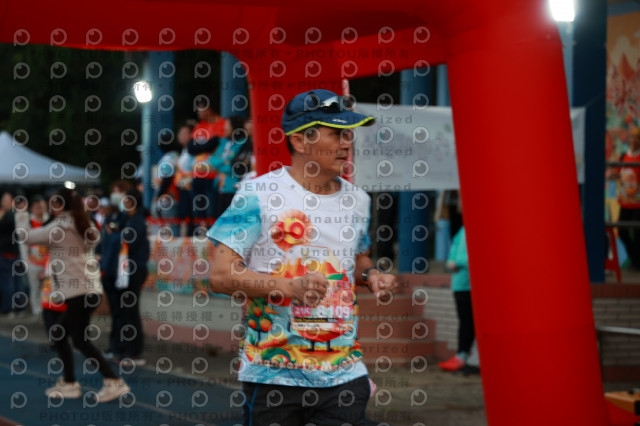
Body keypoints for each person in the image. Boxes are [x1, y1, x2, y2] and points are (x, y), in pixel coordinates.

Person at [207, 89, 400, 426]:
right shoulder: (258, 194)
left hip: (344, 372)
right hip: (273, 373)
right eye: (336, 133)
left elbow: (357, 258)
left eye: (348, 133)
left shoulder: (358, 200)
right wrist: (289, 287)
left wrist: (371, 276)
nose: (346, 143)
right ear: (299, 140)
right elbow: (221, 275)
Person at [15, 187, 130, 402]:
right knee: (64, 336)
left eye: (52, 203)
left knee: (78, 340)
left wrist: (21, 215)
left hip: (78, 292)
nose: (49, 208)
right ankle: (71, 382)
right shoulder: (83, 223)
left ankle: (112, 381)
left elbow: (26, 236)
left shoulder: (60, 227)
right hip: (89, 289)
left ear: (59, 205)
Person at [113, 188, 150, 365]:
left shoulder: (137, 222)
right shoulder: (125, 218)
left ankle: (133, 351)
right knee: (123, 311)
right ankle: (123, 349)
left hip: (134, 270)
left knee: (130, 311)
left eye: (126, 200)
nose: (123, 203)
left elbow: (125, 240)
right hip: (124, 270)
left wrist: (115, 232)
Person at [438, 224, 479, 374]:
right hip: (460, 285)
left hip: (473, 285)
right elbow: (453, 254)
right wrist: (452, 263)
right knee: (465, 322)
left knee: (472, 323)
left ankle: (470, 358)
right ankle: (463, 355)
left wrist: (456, 263)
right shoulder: (462, 229)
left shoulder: (476, 227)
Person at [189, 96, 227, 230]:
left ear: (209, 109)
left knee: (212, 210)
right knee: (198, 211)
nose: (198, 112)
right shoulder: (199, 126)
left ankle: (213, 237)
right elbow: (190, 148)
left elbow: (217, 144)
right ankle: (200, 234)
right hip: (197, 174)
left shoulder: (222, 124)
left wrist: (201, 146)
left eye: (201, 109)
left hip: (213, 175)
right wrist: (207, 145)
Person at [208, 115, 253, 217]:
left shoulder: (241, 143)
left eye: (227, 125)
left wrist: (221, 164)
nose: (225, 127)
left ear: (235, 127)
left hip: (233, 187)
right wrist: (225, 161)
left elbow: (234, 166)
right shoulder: (224, 142)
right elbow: (212, 161)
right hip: (220, 185)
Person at [615, 126, 640, 269]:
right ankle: (635, 259)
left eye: (637, 137)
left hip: (638, 203)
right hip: (625, 201)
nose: (634, 140)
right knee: (622, 231)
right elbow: (616, 173)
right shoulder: (623, 156)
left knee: (637, 232)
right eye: (632, 137)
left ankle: (636, 263)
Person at [0, 190, 26, 317]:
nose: (4, 202)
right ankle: (20, 308)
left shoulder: (8, 216)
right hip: (16, 254)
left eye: (6, 200)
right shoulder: (17, 215)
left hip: (7, 254)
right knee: (17, 282)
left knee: (8, 283)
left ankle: (8, 308)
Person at [25, 195, 48, 316]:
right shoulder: (28, 223)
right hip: (33, 262)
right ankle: (36, 311)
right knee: (35, 288)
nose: (41, 210)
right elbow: (24, 245)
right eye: (38, 207)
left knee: (47, 288)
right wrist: (26, 262)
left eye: (43, 207)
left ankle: (46, 310)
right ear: (32, 209)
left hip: (47, 261)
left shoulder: (49, 221)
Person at [174, 120, 196, 236]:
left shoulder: (193, 151)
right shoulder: (184, 150)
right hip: (182, 187)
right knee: (184, 214)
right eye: (180, 133)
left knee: (190, 214)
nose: (180, 136)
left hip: (190, 187)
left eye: (184, 133)